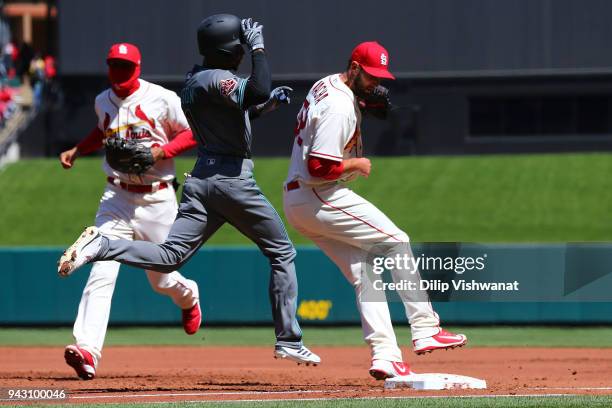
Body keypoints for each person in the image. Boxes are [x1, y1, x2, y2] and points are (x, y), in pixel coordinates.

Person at [58, 15, 320, 365]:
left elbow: (239, 109)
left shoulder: (196, 79)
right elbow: (253, 88)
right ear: (226, 51)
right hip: (232, 181)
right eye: (238, 48)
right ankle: (288, 339)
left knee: (170, 257)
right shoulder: (219, 79)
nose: (242, 53)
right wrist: (259, 47)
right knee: (282, 253)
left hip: (200, 182)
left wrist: (266, 105)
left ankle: (103, 245)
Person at [281, 41, 468, 380]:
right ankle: (425, 327)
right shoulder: (340, 106)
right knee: (396, 240)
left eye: (378, 76)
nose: (374, 82)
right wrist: (356, 163)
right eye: (369, 76)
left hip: (299, 201)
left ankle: (385, 355)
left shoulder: (327, 84)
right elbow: (319, 167)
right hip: (317, 194)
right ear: (353, 67)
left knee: (366, 274)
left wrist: (361, 102)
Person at [58, 42, 201, 380]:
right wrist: (79, 149)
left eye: (125, 66)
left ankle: (189, 296)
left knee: (162, 278)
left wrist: (161, 152)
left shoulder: (162, 98)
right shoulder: (102, 101)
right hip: (116, 197)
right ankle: (88, 351)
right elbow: (103, 130)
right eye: (114, 66)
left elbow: (194, 133)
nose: (118, 72)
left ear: (137, 67)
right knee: (101, 268)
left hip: (158, 199)